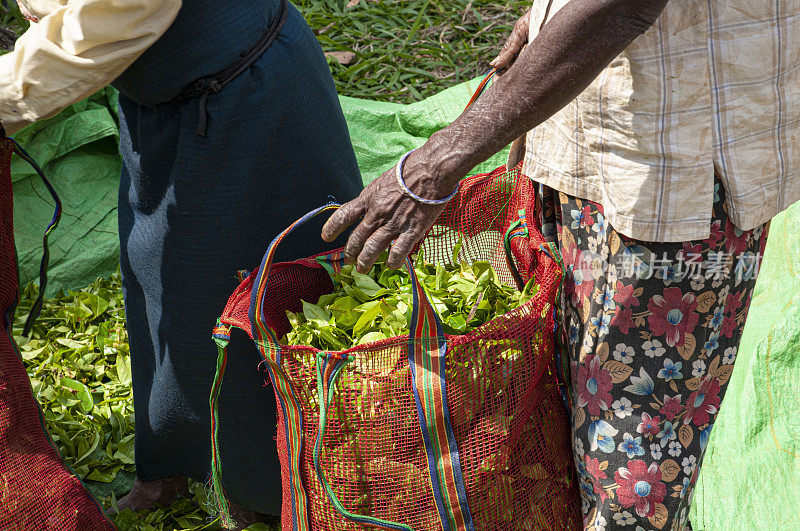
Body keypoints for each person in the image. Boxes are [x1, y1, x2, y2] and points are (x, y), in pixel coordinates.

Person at [322, 0, 799, 529]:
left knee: (632, 472)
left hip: (672, 172)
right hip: (592, 129)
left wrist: (441, 158)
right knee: (572, 412)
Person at [1, 0, 362, 525]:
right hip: (164, 98)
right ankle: (173, 463)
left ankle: (266, 488)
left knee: (254, 303)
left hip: (245, 94)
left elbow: (106, 19)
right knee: (161, 282)